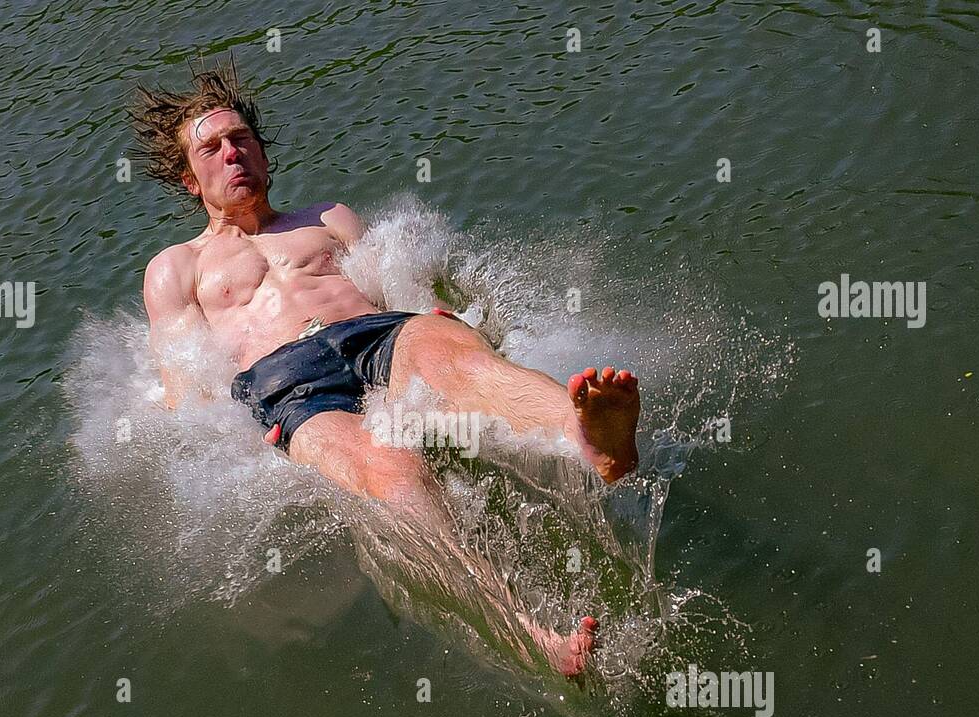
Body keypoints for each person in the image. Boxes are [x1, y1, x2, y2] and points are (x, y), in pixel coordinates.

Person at [132, 61, 641, 675]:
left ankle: (591, 439)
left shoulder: (325, 218)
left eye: (241, 139)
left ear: (263, 154)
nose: (232, 153)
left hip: (376, 333)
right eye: (210, 148)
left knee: (455, 359)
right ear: (191, 179)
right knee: (388, 469)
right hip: (288, 386)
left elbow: (395, 283)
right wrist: (237, 438)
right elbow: (187, 387)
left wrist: (438, 312)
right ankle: (528, 630)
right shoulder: (177, 268)